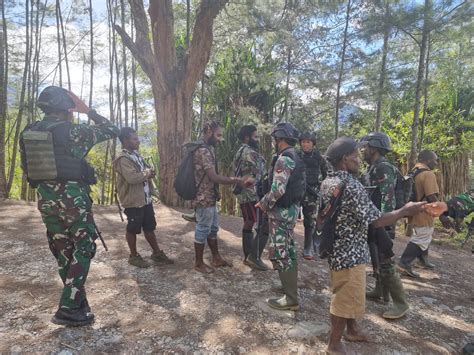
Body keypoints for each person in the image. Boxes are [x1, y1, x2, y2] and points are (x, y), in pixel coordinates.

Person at [19, 86, 119, 326]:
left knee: (63, 249)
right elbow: (111, 129)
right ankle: (68, 307)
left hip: (45, 200)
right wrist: (89, 111)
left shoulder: (29, 132)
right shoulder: (73, 131)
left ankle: (77, 301)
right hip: (72, 199)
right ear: (66, 109)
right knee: (84, 246)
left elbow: (27, 168)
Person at [320, 136, 426, 354]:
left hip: (337, 249)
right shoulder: (350, 186)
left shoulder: (328, 181)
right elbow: (376, 219)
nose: (359, 159)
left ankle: (353, 330)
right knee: (344, 298)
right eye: (354, 156)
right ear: (344, 160)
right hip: (351, 253)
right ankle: (334, 345)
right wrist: (406, 210)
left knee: (347, 293)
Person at [191, 121, 254, 274]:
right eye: (218, 135)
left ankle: (216, 258)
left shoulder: (209, 149)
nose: (220, 139)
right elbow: (214, 177)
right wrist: (237, 180)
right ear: (208, 132)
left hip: (210, 196)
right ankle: (198, 263)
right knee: (203, 229)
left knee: (213, 229)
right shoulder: (203, 151)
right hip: (203, 197)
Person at [256, 122, 306, 311]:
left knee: (281, 250)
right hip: (291, 209)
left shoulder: (284, 159)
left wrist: (263, 203)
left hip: (281, 212)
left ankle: (291, 298)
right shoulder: (297, 156)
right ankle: (288, 288)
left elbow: (278, 190)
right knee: (289, 248)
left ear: (279, 139)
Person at [360, 132, 409, 319]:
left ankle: (401, 303)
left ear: (374, 148)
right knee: (377, 258)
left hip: (382, 221)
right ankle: (380, 290)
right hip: (375, 220)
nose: (363, 150)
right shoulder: (374, 167)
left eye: (366, 147)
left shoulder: (383, 168)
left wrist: (383, 223)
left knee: (386, 260)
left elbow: (387, 198)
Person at [113, 127, 173, 268]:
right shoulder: (123, 159)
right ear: (125, 140)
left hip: (144, 199)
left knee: (149, 227)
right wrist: (147, 173)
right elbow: (132, 178)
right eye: (134, 139)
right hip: (133, 201)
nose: (138, 141)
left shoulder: (136, 155)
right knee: (132, 228)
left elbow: (144, 172)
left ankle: (157, 253)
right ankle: (133, 256)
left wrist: (149, 173)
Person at [398, 150, 450, 278]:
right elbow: (431, 196)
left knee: (425, 234)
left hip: (413, 209)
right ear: (427, 160)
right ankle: (404, 263)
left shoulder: (413, 171)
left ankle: (423, 259)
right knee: (422, 237)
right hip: (424, 210)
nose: (436, 163)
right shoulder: (428, 174)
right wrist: (442, 214)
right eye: (435, 160)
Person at [233, 125, 268, 271]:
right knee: (263, 225)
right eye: (255, 137)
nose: (258, 140)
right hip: (252, 194)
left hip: (244, 193)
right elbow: (260, 174)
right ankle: (254, 257)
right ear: (247, 137)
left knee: (248, 222)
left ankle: (248, 256)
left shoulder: (240, 151)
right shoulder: (250, 153)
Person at [298, 131, 327, 260]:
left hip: (312, 192)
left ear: (313, 144)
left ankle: (308, 248)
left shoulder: (319, 158)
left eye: (308, 142)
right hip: (297, 190)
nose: (305, 144)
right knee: (290, 218)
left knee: (310, 221)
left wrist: (324, 190)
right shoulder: (296, 155)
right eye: (303, 142)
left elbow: (326, 175)